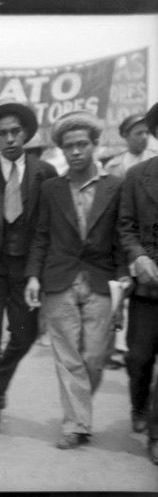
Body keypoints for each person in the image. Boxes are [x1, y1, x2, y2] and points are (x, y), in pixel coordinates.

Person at [24, 111, 128, 450]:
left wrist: (124, 275)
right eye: (69, 146)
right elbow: (41, 235)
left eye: (82, 144)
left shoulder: (115, 187)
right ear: (62, 150)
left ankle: (78, 411)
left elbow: (122, 236)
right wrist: (33, 276)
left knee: (95, 356)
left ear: (95, 145)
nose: (76, 151)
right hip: (59, 279)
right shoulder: (51, 189)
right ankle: (76, 424)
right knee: (68, 357)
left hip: (101, 279)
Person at [0, 99, 58, 439]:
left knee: (24, 336)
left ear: (25, 134)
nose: (10, 138)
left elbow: (47, 228)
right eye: (2, 133)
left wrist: (39, 272)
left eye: (15, 131)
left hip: (27, 273)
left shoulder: (44, 173)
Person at [118, 101, 158, 465]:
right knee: (139, 357)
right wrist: (139, 256)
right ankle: (138, 405)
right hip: (148, 286)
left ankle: (156, 435)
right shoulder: (137, 175)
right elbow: (126, 226)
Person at [104, 113, 157, 178]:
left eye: (147, 133)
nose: (145, 137)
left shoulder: (155, 159)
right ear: (126, 136)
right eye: (139, 133)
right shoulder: (113, 166)